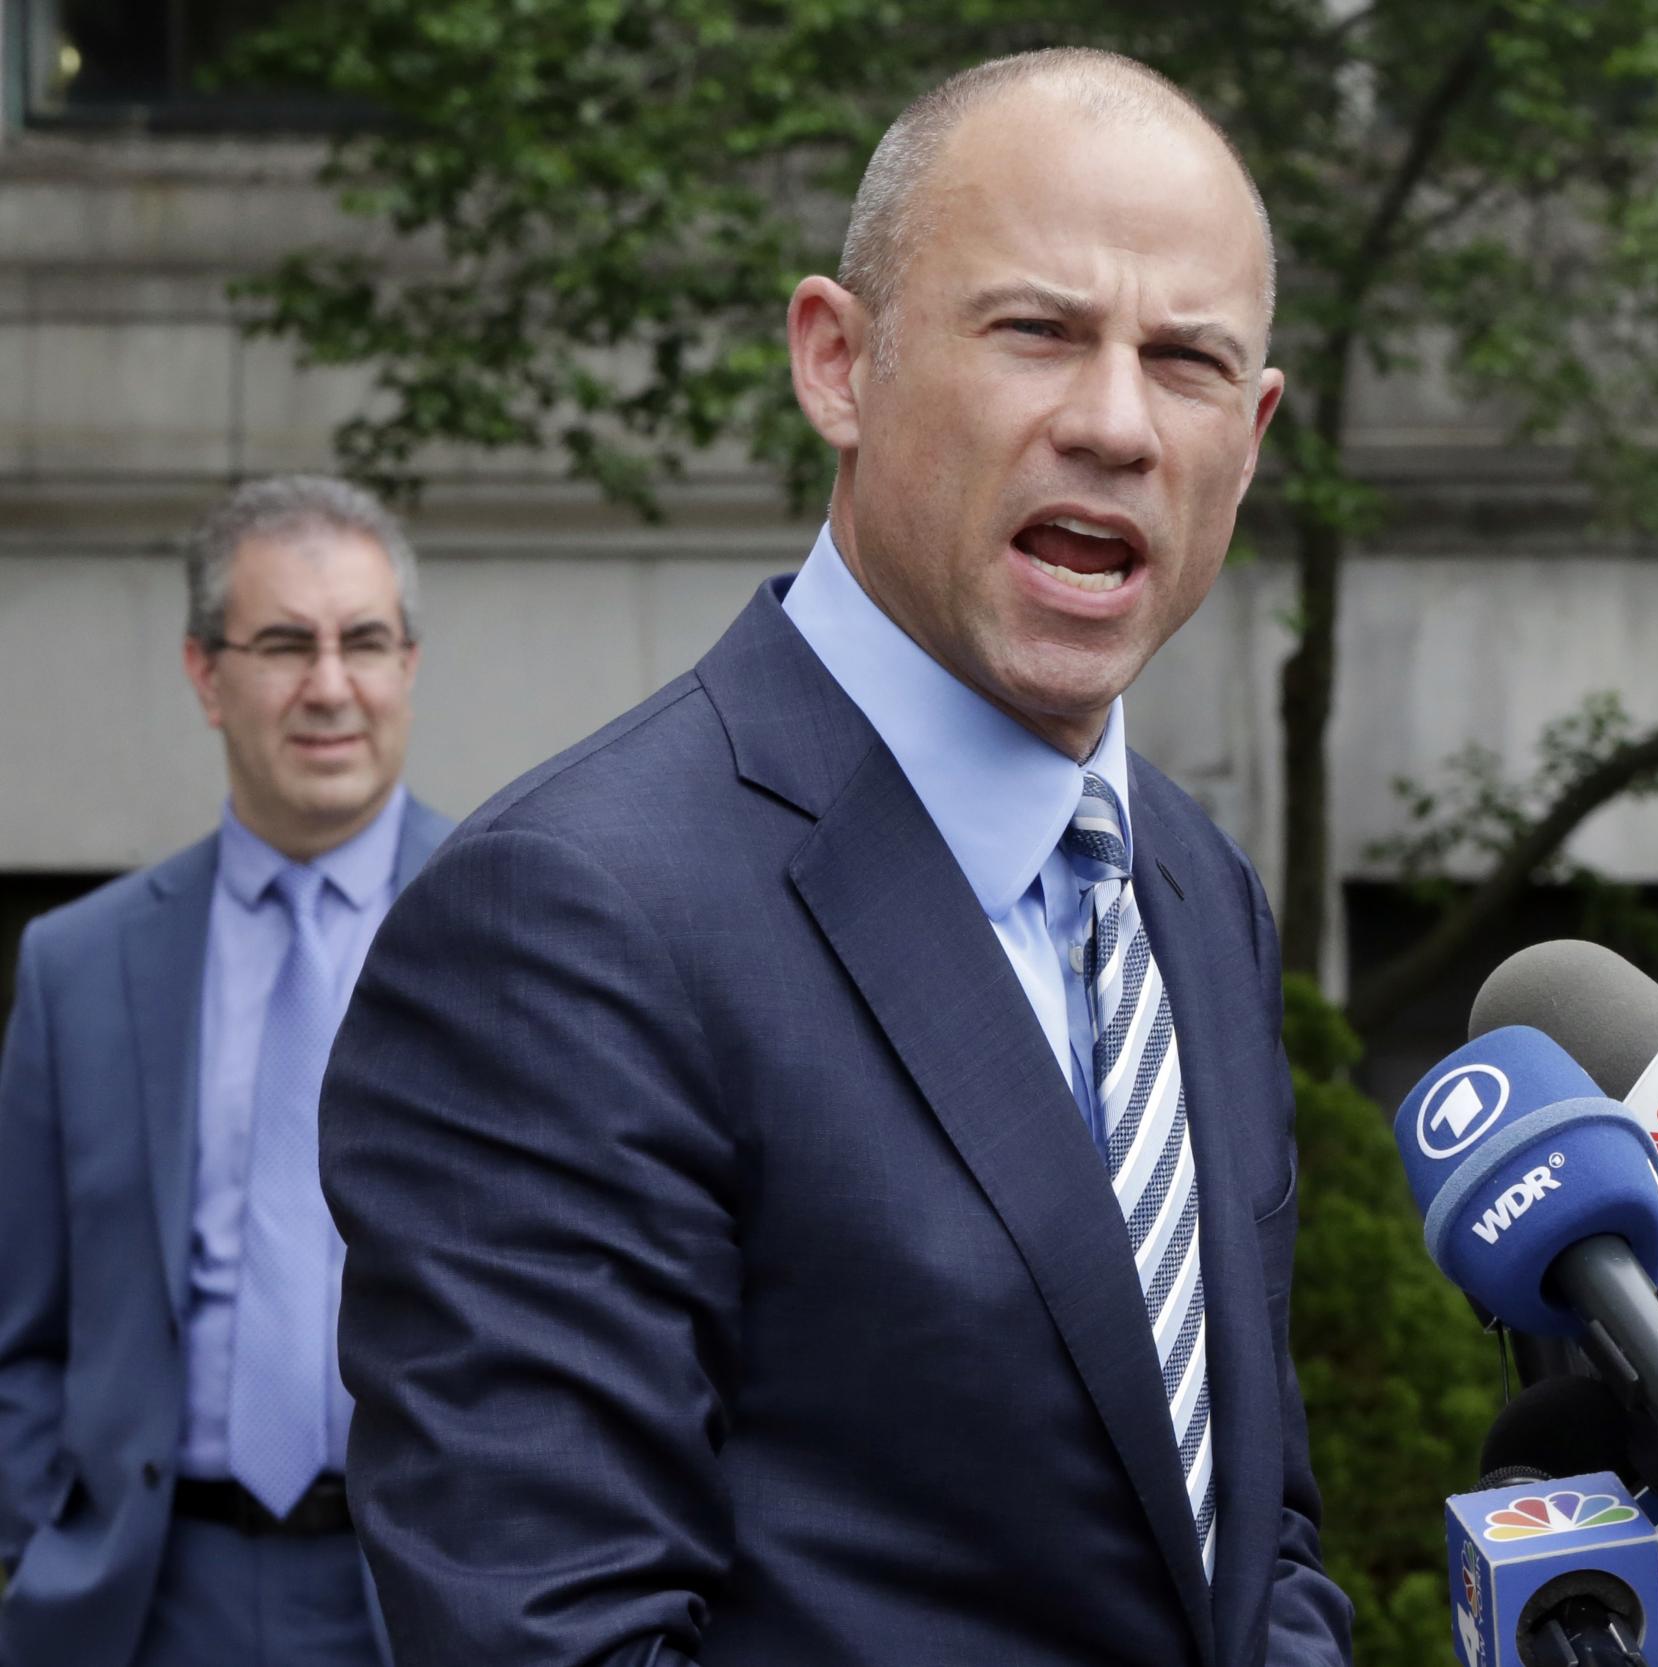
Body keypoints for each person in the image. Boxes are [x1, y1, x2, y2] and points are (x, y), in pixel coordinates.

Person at [317, 48, 1352, 1667]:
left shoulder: (1196, 895)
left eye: (1190, 361)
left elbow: (1248, 1535)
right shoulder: (570, 922)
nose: (1116, 422)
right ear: (837, 362)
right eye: (1039, 330)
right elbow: (556, 1638)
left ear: (1256, 429)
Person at [0, 475, 447, 1667]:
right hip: (143, 1600)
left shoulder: (520, 929)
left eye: (363, 641)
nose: (329, 687)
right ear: (206, 674)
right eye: (284, 644)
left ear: (408, 663)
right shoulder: (77, 964)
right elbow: (24, 1322)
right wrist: (41, 1532)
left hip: (427, 1593)